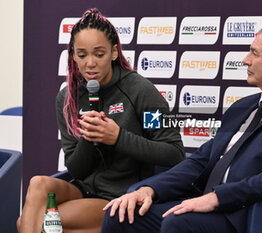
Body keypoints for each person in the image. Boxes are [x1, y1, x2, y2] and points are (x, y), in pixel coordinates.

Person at [101, 23, 262, 233]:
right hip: (200, 203)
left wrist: (218, 198)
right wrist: (150, 189)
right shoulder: (242, 108)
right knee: (120, 215)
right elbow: (202, 161)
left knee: (177, 223)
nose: (246, 60)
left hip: (245, 215)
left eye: (254, 53)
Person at [17, 8, 185, 233]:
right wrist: (90, 136)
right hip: (83, 189)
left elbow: (174, 154)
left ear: (114, 52)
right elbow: (76, 170)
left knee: (35, 223)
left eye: (99, 54)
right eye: (82, 54)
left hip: (121, 196)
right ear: (73, 55)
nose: (90, 64)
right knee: (38, 184)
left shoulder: (139, 91)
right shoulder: (67, 98)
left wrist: (117, 138)